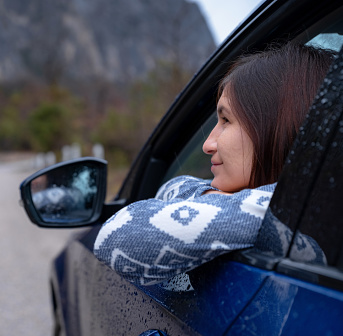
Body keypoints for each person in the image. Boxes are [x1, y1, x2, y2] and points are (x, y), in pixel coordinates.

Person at [93, 42, 336, 286]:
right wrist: (216, 196)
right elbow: (174, 186)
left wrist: (212, 199)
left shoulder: (278, 213)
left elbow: (113, 236)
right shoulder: (299, 207)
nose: (208, 144)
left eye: (226, 120)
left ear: (278, 128)